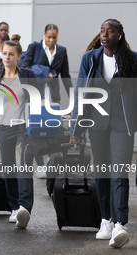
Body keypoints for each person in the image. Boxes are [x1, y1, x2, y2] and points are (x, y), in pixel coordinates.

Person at [70, 19, 137, 248]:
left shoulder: (132, 59)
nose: (105, 34)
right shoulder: (90, 59)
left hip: (122, 125)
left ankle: (120, 224)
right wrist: (76, 130)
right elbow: (81, 94)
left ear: (119, 35)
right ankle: (106, 220)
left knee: (119, 173)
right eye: (102, 31)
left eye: (110, 31)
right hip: (96, 125)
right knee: (102, 173)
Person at [0, 40, 39, 229]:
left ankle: (24, 207)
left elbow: (37, 102)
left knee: (23, 167)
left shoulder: (28, 76)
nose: (7, 57)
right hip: (4, 128)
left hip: (23, 128)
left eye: (11, 54)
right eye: (4, 53)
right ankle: (14, 207)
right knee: (9, 169)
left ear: (19, 56)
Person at [21, 24, 72, 103]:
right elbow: (24, 68)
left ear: (57, 36)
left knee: (54, 114)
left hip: (53, 95)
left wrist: (73, 97)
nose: (51, 40)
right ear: (44, 35)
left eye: (54, 37)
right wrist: (40, 75)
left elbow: (65, 76)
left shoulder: (62, 51)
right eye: (49, 37)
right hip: (36, 94)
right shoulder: (34, 47)